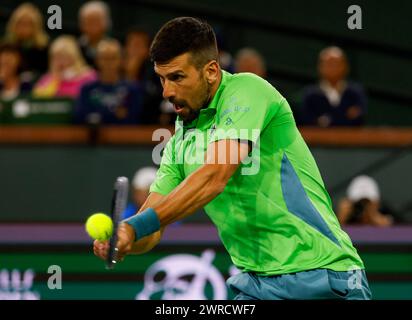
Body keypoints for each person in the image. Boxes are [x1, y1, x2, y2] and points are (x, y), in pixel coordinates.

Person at [93, 17, 371, 300]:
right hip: (257, 286)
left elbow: (214, 177)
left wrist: (135, 227)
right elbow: (153, 222)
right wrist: (126, 240)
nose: (167, 92)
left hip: (323, 275)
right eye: (161, 79)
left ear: (211, 71)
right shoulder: (180, 140)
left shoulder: (248, 91)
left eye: (177, 77)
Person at [74, 39, 142, 124]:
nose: (109, 63)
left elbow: (133, 118)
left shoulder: (132, 89)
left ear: (121, 60)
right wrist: (115, 113)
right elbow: (80, 117)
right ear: (97, 60)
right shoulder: (87, 89)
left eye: (113, 58)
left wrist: (98, 114)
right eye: (105, 58)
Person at [300, 46, 367, 127]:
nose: (333, 68)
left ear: (345, 67)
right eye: (328, 64)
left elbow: (359, 119)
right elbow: (308, 122)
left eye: (336, 64)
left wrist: (326, 120)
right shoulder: (310, 95)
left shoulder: (355, 92)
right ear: (320, 67)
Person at [3, 2, 49, 78]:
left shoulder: (43, 49)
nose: (24, 28)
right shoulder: (7, 48)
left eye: (28, 24)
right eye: (20, 23)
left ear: (36, 26)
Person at [78, 1, 111, 68]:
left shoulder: (113, 49)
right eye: (89, 21)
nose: (93, 27)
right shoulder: (75, 48)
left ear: (106, 22)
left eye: (96, 21)